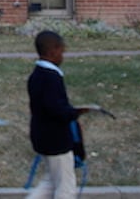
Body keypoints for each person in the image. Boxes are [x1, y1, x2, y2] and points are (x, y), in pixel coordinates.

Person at [25, 30, 91, 199]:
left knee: (51, 181)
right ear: (53, 50)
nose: (63, 56)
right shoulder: (51, 77)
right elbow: (56, 109)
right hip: (57, 140)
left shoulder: (36, 75)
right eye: (62, 51)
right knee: (66, 187)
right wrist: (74, 113)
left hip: (41, 135)